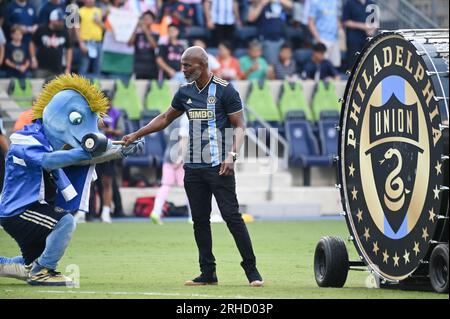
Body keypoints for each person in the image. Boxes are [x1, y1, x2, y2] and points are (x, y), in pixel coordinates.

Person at [122, 46, 264, 287]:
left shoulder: (225, 90)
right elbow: (166, 118)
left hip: (220, 166)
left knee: (232, 217)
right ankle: (208, 274)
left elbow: (240, 125)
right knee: (200, 220)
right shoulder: (184, 92)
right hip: (193, 167)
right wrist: (137, 133)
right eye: (182, 65)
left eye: (188, 65)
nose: (183, 70)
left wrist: (231, 155)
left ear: (203, 65)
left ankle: (252, 272)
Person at [150, 113, 189, 225]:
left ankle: (156, 212)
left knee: (165, 186)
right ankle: (193, 216)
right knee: (189, 188)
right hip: (179, 157)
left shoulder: (170, 116)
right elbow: (183, 140)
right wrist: (180, 157)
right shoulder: (185, 118)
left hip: (168, 154)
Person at [30, 8, 72, 78]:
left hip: (58, 69)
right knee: (39, 87)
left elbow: (69, 49)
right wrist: (33, 58)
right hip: (41, 68)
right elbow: (32, 43)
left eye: (62, 20)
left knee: (57, 88)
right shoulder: (41, 29)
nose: (61, 23)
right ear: (52, 20)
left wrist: (68, 67)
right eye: (59, 20)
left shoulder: (64, 32)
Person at [247, 0, 293, 65]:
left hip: (282, 39)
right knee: (272, 64)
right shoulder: (260, 2)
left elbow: (291, 5)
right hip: (268, 40)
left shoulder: (280, 2)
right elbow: (250, 18)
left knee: (286, 63)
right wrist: (262, 4)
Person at [342, 0, 377, 70]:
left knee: (368, 64)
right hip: (354, 40)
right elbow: (345, 21)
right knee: (353, 65)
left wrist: (372, 30)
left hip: (368, 40)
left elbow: (375, 22)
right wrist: (363, 26)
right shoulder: (349, 3)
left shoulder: (372, 4)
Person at [308, 0, 342, 68]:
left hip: (334, 39)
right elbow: (310, 22)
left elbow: (337, 18)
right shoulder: (315, 2)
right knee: (321, 65)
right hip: (322, 38)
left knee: (335, 66)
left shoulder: (336, 2)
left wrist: (340, 29)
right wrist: (318, 40)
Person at [75, 0, 104, 77]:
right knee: (83, 67)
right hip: (86, 43)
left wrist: (99, 22)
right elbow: (76, 28)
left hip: (98, 42)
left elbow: (106, 27)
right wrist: (81, 43)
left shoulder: (99, 11)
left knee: (98, 67)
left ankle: (97, 87)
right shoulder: (79, 11)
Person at [128, 10, 158, 80]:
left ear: (152, 21)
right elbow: (130, 43)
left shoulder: (156, 34)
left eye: (148, 19)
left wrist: (145, 30)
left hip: (151, 67)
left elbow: (154, 46)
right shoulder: (138, 34)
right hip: (138, 66)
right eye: (144, 19)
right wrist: (136, 28)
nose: (145, 21)